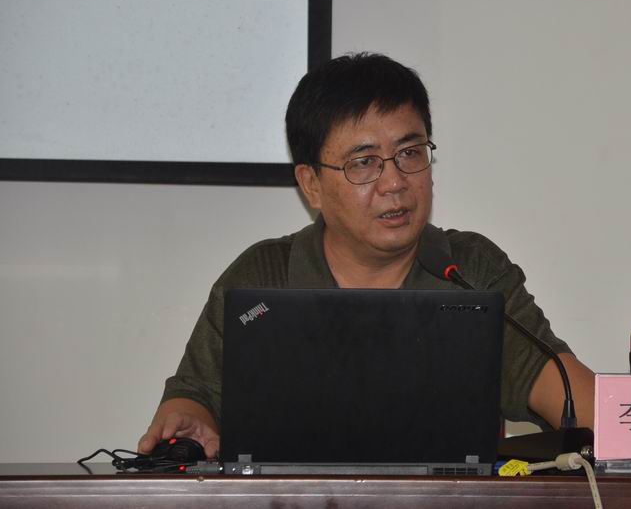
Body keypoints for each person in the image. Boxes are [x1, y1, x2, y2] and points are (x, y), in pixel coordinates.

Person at [138, 53, 595, 459]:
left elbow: (570, 396)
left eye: (410, 152)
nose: (395, 182)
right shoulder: (263, 278)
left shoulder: (468, 270)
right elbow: (193, 398)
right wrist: (188, 421)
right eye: (363, 162)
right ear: (311, 184)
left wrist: (624, 419)